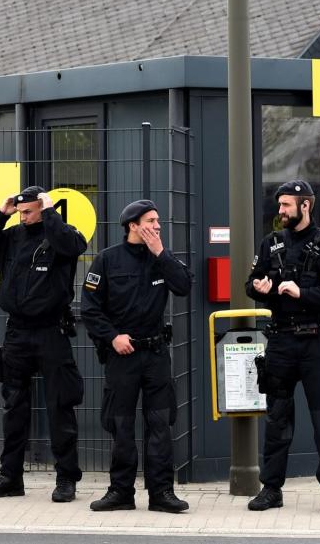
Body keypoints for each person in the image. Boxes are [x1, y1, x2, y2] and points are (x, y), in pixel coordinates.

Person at [244, 180, 320, 515]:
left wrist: (302, 294)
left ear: (306, 206)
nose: (280, 212)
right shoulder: (271, 243)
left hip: (316, 342)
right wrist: (261, 288)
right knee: (277, 419)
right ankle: (271, 489)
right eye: (279, 206)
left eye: (286, 205)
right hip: (280, 341)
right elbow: (251, 284)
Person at [0, 186, 87, 503]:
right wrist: (1, 214)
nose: (23, 217)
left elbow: (71, 245)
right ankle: (10, 478)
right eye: (20, 212)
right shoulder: (11, 237)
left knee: (60, 407)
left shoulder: (63, 235)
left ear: (43, 208)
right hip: (17, 334)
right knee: (14, 408)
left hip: (52, 331)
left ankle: (66, 479)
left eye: (29, 211)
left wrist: (50, 213)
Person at [82, 199, 192, 514]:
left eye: (158, 220)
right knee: (121, 426)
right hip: (122, 356)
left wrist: (160, 252)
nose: (158, 226)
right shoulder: (107, 260)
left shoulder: (163, 258)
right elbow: (89, 308)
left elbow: (184, 286)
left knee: (160, 425)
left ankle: (161, 494)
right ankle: (120, 492)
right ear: (133, 225)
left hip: (156, 353)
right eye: (151, 221)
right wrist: (112, 336)